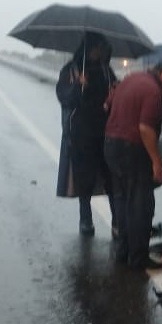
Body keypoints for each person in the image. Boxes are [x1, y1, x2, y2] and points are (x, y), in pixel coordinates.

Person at [103, 56, 162, 270]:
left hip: (111, 145)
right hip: (132, 150)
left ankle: (123, 252)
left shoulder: (131, 79)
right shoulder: (153, 91)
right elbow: (146, 129)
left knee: (122, 201)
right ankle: (138, 258)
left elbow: (106, 105)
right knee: (141, 205)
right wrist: (157, 162)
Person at [55, 34, 118, 237]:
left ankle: (117, 222)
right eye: (98, 48)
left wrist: (116, 91)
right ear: (89, 48)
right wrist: (78, 86)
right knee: (84, 178)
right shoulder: (71, 70)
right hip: (81, 133)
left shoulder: (106, 70)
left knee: (112, 177)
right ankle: (85, 220)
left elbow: (115, 94)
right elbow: (64, 98)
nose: (100, 52)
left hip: (106, 131)